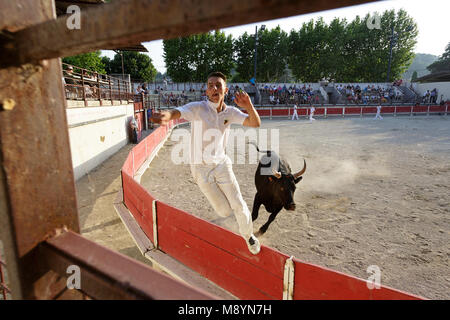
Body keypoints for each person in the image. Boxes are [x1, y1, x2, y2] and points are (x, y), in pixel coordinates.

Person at [150, 71, 261, 255]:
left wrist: (248, 105)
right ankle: (230, 213)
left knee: (238, 203)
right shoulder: (198, 108)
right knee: (224, 211)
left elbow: (255, 123)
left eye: (218, 85)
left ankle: (248, 235)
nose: (214, 88)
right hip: (201, 169)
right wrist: (166, 116)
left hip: (222, 164)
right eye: (210, 85)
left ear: (225, 90)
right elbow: (178, 112)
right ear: (206, 91)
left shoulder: (230, 112)